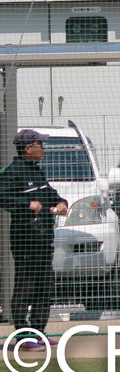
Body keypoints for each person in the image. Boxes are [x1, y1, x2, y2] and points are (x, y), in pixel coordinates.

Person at [0, 129, 67, 344]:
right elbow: (3, 197)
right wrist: (27, 205)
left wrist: (60, 203)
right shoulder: (13, 172)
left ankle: (38, 332)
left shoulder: (37, 172)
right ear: (28, 148)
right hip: (25, 240)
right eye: (40, 144)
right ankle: (22, 334)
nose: (43, 149)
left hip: (43, 239)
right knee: (25, 286)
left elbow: (50, 194)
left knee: (44, 286)